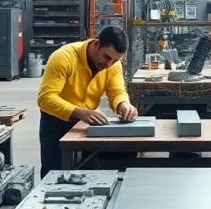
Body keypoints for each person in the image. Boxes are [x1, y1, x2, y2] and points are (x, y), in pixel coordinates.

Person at [36, 25, 138, 178]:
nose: (108, 65)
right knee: (54, 173)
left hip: (86, 123)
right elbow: (45, 98)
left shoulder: (113, 65)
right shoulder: (64, 57)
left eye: (115, 60)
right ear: (96, 44)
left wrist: (123, 103)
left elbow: (116, 91)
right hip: (56, 121)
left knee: (87, 172)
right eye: (107, 57)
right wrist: (78, 111)